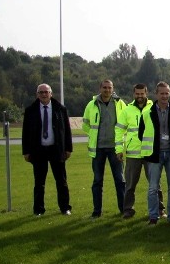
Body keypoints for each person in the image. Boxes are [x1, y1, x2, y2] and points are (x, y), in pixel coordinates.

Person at [138, 81, 170, 225]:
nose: (164, 96)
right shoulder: (147, 112)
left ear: (169, 93)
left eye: (167, 93)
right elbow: (142, 133)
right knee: (153, 188)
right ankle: (153, 216)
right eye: (162, 93)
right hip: (155, 154)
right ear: (156, 94)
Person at [22, 83, 72, 216]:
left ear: (51, 93)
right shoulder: (30, 110)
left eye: (46, 92)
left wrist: (68, 148)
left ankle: (65, 208)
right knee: (39, 183)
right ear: (37, 94)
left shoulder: (60, 109)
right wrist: (26, 151)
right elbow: (25, 132)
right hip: (38, 151)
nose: (44, 94)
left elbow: (66, 130)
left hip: (56, 150)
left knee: (61, 181)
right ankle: (38, 210)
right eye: (41, 92)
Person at [81, 79, 126, 218]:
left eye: (109, 88)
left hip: (115, 148)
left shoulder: (120, 103)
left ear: (113, 89)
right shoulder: (92, 104)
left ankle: (124, 209)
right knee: (97, 181)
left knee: (120, 180)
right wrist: (94, 136)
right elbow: (85, 124)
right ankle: (96, 211)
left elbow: (126, 123)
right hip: (98, 148)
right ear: (100, 88)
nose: (107, 90)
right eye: (104, 87)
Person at [120, 83, 163, 219]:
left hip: (150, 152)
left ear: (146, 93)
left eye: (142, 94)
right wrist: (119, 149)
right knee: (130, 185)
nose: (140, 96)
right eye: (137, 94)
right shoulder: (127, 110)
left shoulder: (153, 107)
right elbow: (119, 130)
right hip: (133, 153)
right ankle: (128, 209)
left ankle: (160, 209)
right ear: (134, 94)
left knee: (155, 183)